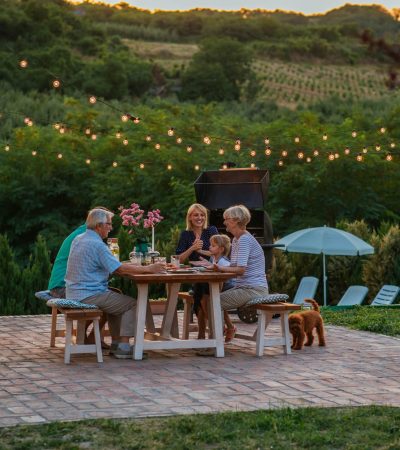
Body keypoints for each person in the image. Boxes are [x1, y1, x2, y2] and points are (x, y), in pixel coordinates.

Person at [65, 208, 166, 359]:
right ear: (99, 226)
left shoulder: (79, 238)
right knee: (132, 304)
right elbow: (118, 269)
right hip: (87, 295)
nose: (111, 228)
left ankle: (116, 343)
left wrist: (142, 269)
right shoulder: (98, 245)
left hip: (74, 291)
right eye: (109, 224)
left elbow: (113, 267)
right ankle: (124, 348)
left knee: (117, 296)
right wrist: (149, 269)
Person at [213, 205, 269, 342]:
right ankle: (214, 340)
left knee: (213, 302)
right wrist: (212, 267)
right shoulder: (236, 240)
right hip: (245, 287)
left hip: (253, 289)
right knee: (209, 298)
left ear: (236, 221)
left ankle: (215, 343)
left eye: (227, 219)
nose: (224, 222)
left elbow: (240, 270)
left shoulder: (244, 240)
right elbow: (233, 266)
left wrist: (219, 269)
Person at [175, 203, 218, 336]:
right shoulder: (186, 234)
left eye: (202, 215)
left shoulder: (211, 231)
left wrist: (201, 251)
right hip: (195, 273)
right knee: (200, 289)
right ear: (190, 217)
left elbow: (219, 252)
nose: (199, 218)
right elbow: (179, 259)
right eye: (196, 215)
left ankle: (204, 333)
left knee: (201, 292)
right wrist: (192, 248)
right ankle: (208, 331)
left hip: (212, 271)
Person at [196, 234, 234, 340]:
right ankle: (219, 326)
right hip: (217, 286)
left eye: (213, 246)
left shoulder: (223, 261)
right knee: (202, 297)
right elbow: (209, 255)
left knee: (206, 299)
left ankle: (218, 326)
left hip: (228, 286)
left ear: (221, 249)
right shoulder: (214, 258)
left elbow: (226, 275)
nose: (210, 247)